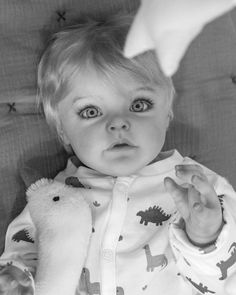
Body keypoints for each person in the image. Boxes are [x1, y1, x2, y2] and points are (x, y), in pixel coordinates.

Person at [0, 13, 236, 295]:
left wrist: (206, 237)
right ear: (63, 131)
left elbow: (222, 282)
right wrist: (16, 277)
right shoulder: (53, 199)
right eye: (91, 112)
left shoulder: (199, 188)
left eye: (139, 105)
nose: (118, 123)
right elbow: (22, 252)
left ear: (168, 114)